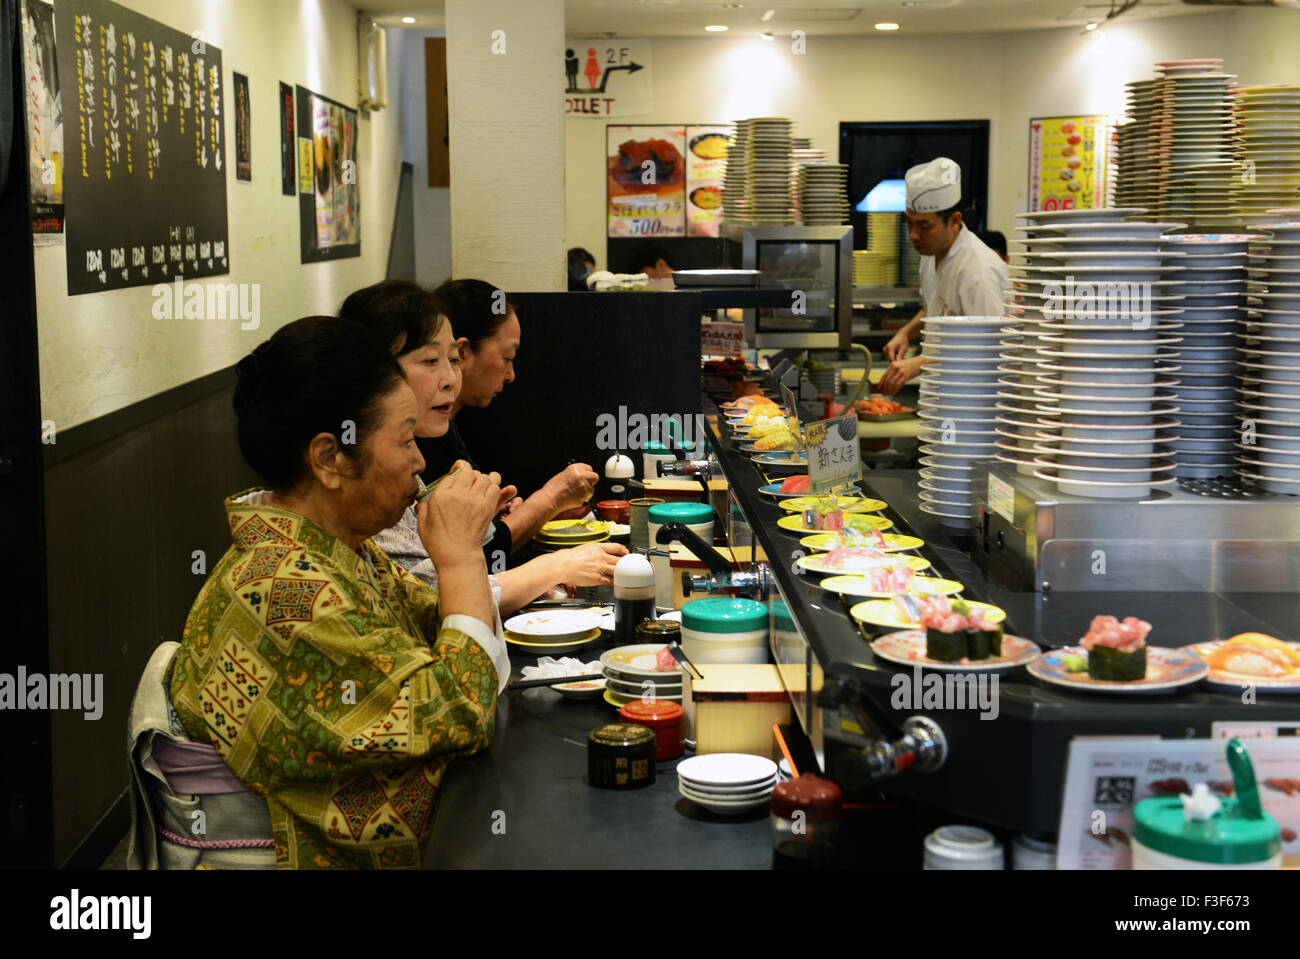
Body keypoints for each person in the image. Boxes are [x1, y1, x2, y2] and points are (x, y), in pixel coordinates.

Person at [169, 315, 508, 869]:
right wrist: (463, 555)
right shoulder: (285, 594)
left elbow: (447, 634)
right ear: (330, 458)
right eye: (404, 440)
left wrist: (459, 557)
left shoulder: (336, 545)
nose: (420, 462)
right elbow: (460, 710)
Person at [341, 280, 625, 610]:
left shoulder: (433, 433)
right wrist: (551, 564)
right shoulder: (362, 477)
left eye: (452, 360)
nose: (450, 379)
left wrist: (479, 525)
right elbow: (432, 597)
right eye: (431, 361)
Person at [422, 278, 599, 558]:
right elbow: (478, 554)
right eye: (507, 357)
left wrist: (497, 513)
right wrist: (550, 498)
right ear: (464, 352)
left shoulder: (447, 427)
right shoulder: (424, 437)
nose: (511, 374)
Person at [878, 157, 1009, 395]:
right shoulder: (930, 252)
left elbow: (991, 347)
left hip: (975, 404)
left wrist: (921, 362)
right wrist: (906, 332)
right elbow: (935, 308)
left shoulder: (977, 272)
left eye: (924, 226)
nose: (914, 235)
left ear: (955, 221)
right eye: (909, 224)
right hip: (941, 397)